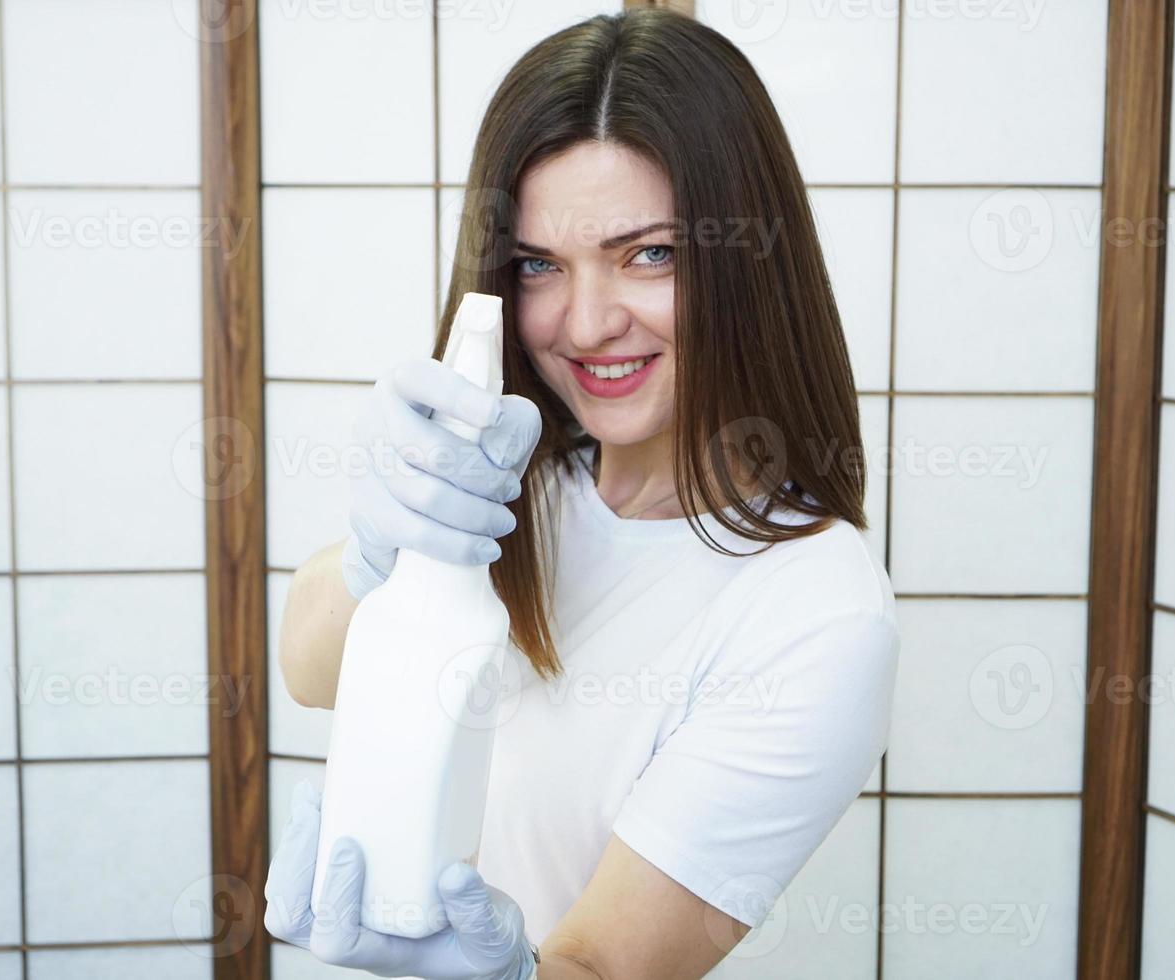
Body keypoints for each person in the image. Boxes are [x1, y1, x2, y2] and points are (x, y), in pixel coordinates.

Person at [264, 9, 899, 979]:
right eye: (539, 266)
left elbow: (599, 962)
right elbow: (309, 668)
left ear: (746, 261)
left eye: (649, 253)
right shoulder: (516, 477)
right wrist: (377, 550)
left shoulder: (814, 609)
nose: (588, 322)